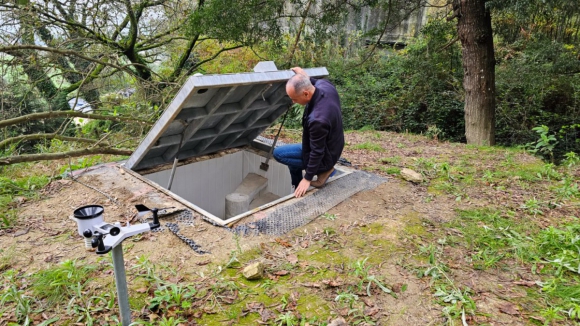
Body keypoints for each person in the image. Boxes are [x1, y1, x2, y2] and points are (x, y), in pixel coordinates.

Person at [273, 67, 344, 198]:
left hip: (326, 155)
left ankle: (324, 170)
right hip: (334, 146)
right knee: (292, 161)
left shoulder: (318, 119)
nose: (293, 102)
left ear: (306, 94)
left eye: (294, 99)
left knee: (279, 154)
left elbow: (317, 151)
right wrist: (302, 75)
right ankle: (295, 187)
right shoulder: (326, 86)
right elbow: (312, 82)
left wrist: (307, 178)